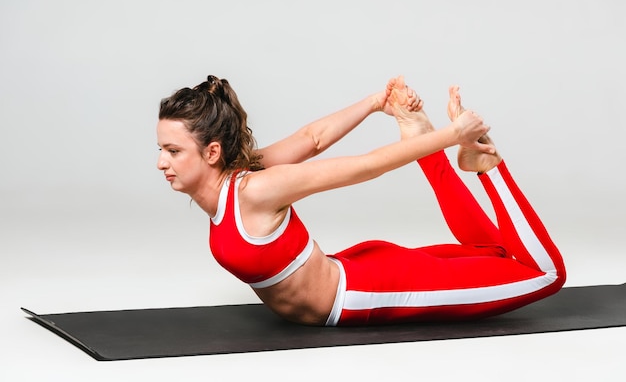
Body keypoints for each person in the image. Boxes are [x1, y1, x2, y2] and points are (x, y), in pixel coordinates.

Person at [156, 75, 566, 326]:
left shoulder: (256, 190)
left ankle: (487, 165)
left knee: (545, 275)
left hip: (370, 292)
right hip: (357, 268)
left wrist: (453, 134)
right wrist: (374, 103)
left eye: (173, 151)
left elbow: (366, 166)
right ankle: (443, 151)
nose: (162, 163)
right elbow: (311, 139)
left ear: (211, 153)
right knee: (489, 254)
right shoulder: (243, 174)